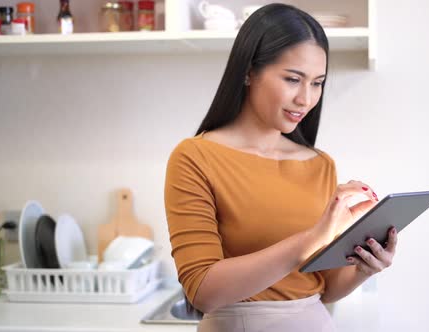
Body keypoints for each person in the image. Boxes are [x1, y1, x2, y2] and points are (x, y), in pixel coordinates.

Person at [164, 3, 398, 331]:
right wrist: (311, 240)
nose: (306, 98)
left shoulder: (320, 164)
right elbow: (203, 291)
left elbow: (326, 287)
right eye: (293, 79)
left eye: (317, 83)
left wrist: (364, 267)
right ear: (248, 71)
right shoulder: (194, 157)